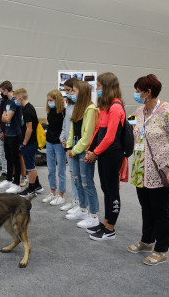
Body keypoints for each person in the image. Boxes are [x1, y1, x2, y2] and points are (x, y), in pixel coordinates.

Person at [127, 74, 169, 266]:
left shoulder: (168, 112)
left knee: (160, 210)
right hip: (140, 169)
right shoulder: (140, 111)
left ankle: (161, 249)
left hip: (160, 170)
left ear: (148, 92)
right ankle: (147, 241)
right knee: (146, 208)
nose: (135, 94)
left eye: (138, 91)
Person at [84, 72, 125, 241]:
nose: (96, 89)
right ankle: (106, 222)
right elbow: (99, 132)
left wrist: (95, 152)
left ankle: (111, 229)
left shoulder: (116, 108)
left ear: (107, 87)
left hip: (112, 154)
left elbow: (110, 137)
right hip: (103, 154)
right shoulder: (105, 107)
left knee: (112, 190)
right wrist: (90, 149)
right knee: (106, 189)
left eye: (99, 86)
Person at [65, 81, 100, 229]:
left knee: (87, 182)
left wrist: (75, 150)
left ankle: (93, 215)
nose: (72, 94)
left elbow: (87, 136)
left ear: (82, 92)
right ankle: (82, 209)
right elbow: (72, 129)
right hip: (74, 148)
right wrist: (69, 146)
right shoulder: (77, 108)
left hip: (84, 150)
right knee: (77, 180)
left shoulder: (91, 109)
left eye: (74, 91)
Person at [11, 88, 41, 196]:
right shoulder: (26, 108)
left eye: (15, 98)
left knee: (30, 167)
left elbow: (29, 129)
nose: (14, 100)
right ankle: (37, 185)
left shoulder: (28, 110)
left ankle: (32, 188)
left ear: (19, 97)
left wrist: (24, 143)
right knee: (31, 164)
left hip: (29, 142)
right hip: (29, 142)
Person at [0, 81, 22, 193]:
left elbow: (7, 118)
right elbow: (4, 117)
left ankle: (17, 183)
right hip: (7, 133)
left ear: (6, 90)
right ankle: (9, 180)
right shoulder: (7, 102)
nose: (0, 93)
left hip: (15, 134)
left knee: (15, 158)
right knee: (8, 157)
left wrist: (4, 116)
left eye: (1, 91)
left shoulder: (15, 102)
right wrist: (4, 116)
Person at [42, 90, 67, 205]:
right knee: (50, 169)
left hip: (59, 144)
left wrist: (63, 140)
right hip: (49, 142)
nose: (49, 102)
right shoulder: (50, 111)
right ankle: (52, 192)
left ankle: (61, 195)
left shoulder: (63, 112)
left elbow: (64, 128)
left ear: (57, 100)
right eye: (48, 100)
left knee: (61, 170)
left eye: (51, 100)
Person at [60, 78, 80, 212]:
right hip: (68, 143)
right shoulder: (69, 105)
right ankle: (74, 200)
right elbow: (66, 123)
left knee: (78, 175)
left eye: (69, 90)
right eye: (66, 90)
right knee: (72, 173)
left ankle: (80, 203)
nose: (67, 93)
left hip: (77, 144)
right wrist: (63, 137)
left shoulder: (81, 106)